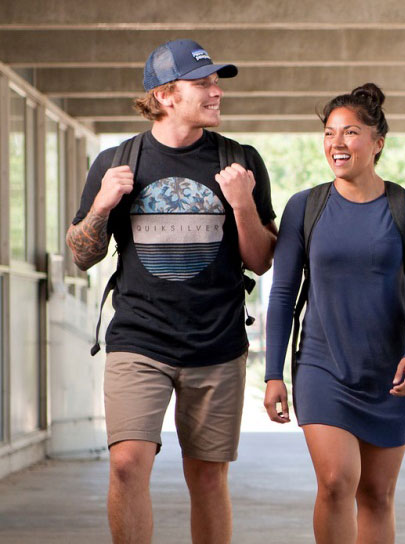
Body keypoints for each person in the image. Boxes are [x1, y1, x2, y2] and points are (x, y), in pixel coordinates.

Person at [64, 39, 276, 544]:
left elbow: (262, 260)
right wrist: (101, 205)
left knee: (206, 478)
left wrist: (242, 205)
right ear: (165, 96)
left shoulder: (240, 160)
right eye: (202, 83)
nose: (216, 91)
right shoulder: (117, 161)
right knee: (126, 466)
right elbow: (81, 253)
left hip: (218, 343)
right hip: (140, 339)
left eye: (216, 81)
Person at [263, 83, 405, 544]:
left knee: (377, 495)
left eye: (351, 132)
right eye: (329, 133)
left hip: (391, 371)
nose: (337, 143)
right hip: (323, 366)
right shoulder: (305, 206)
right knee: (337, 481)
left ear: (378, 143)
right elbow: (282, 293)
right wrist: (273, 373)